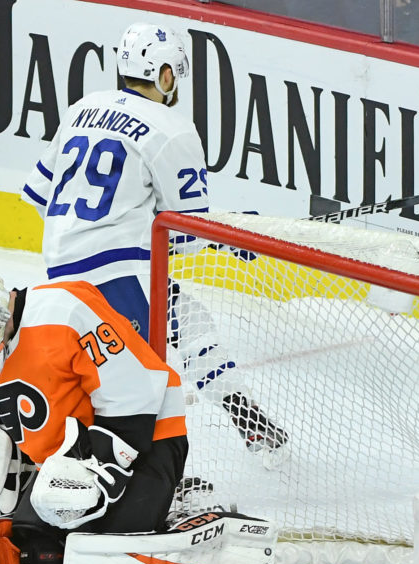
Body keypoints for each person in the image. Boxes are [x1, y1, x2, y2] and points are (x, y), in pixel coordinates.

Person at [20, 21, 289, 467]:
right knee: (141, 388)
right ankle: (155, 483)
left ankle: (252, 422)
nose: (176, 84)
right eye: (175, 75)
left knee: (188, 322)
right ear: (164, 74)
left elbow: (37, 195)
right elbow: (184, 236)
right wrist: (234, 238)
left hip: (59, 277)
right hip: (119, 280)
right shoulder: (171, 129)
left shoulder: (84, 107)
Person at [0, 269, 189, 564]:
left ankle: (176, 508)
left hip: (148, 439)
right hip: (75, 464)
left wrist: (107, 468)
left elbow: (133, 387)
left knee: (106, 562)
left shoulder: (63, 309)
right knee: (39, 563)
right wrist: (13, 473)